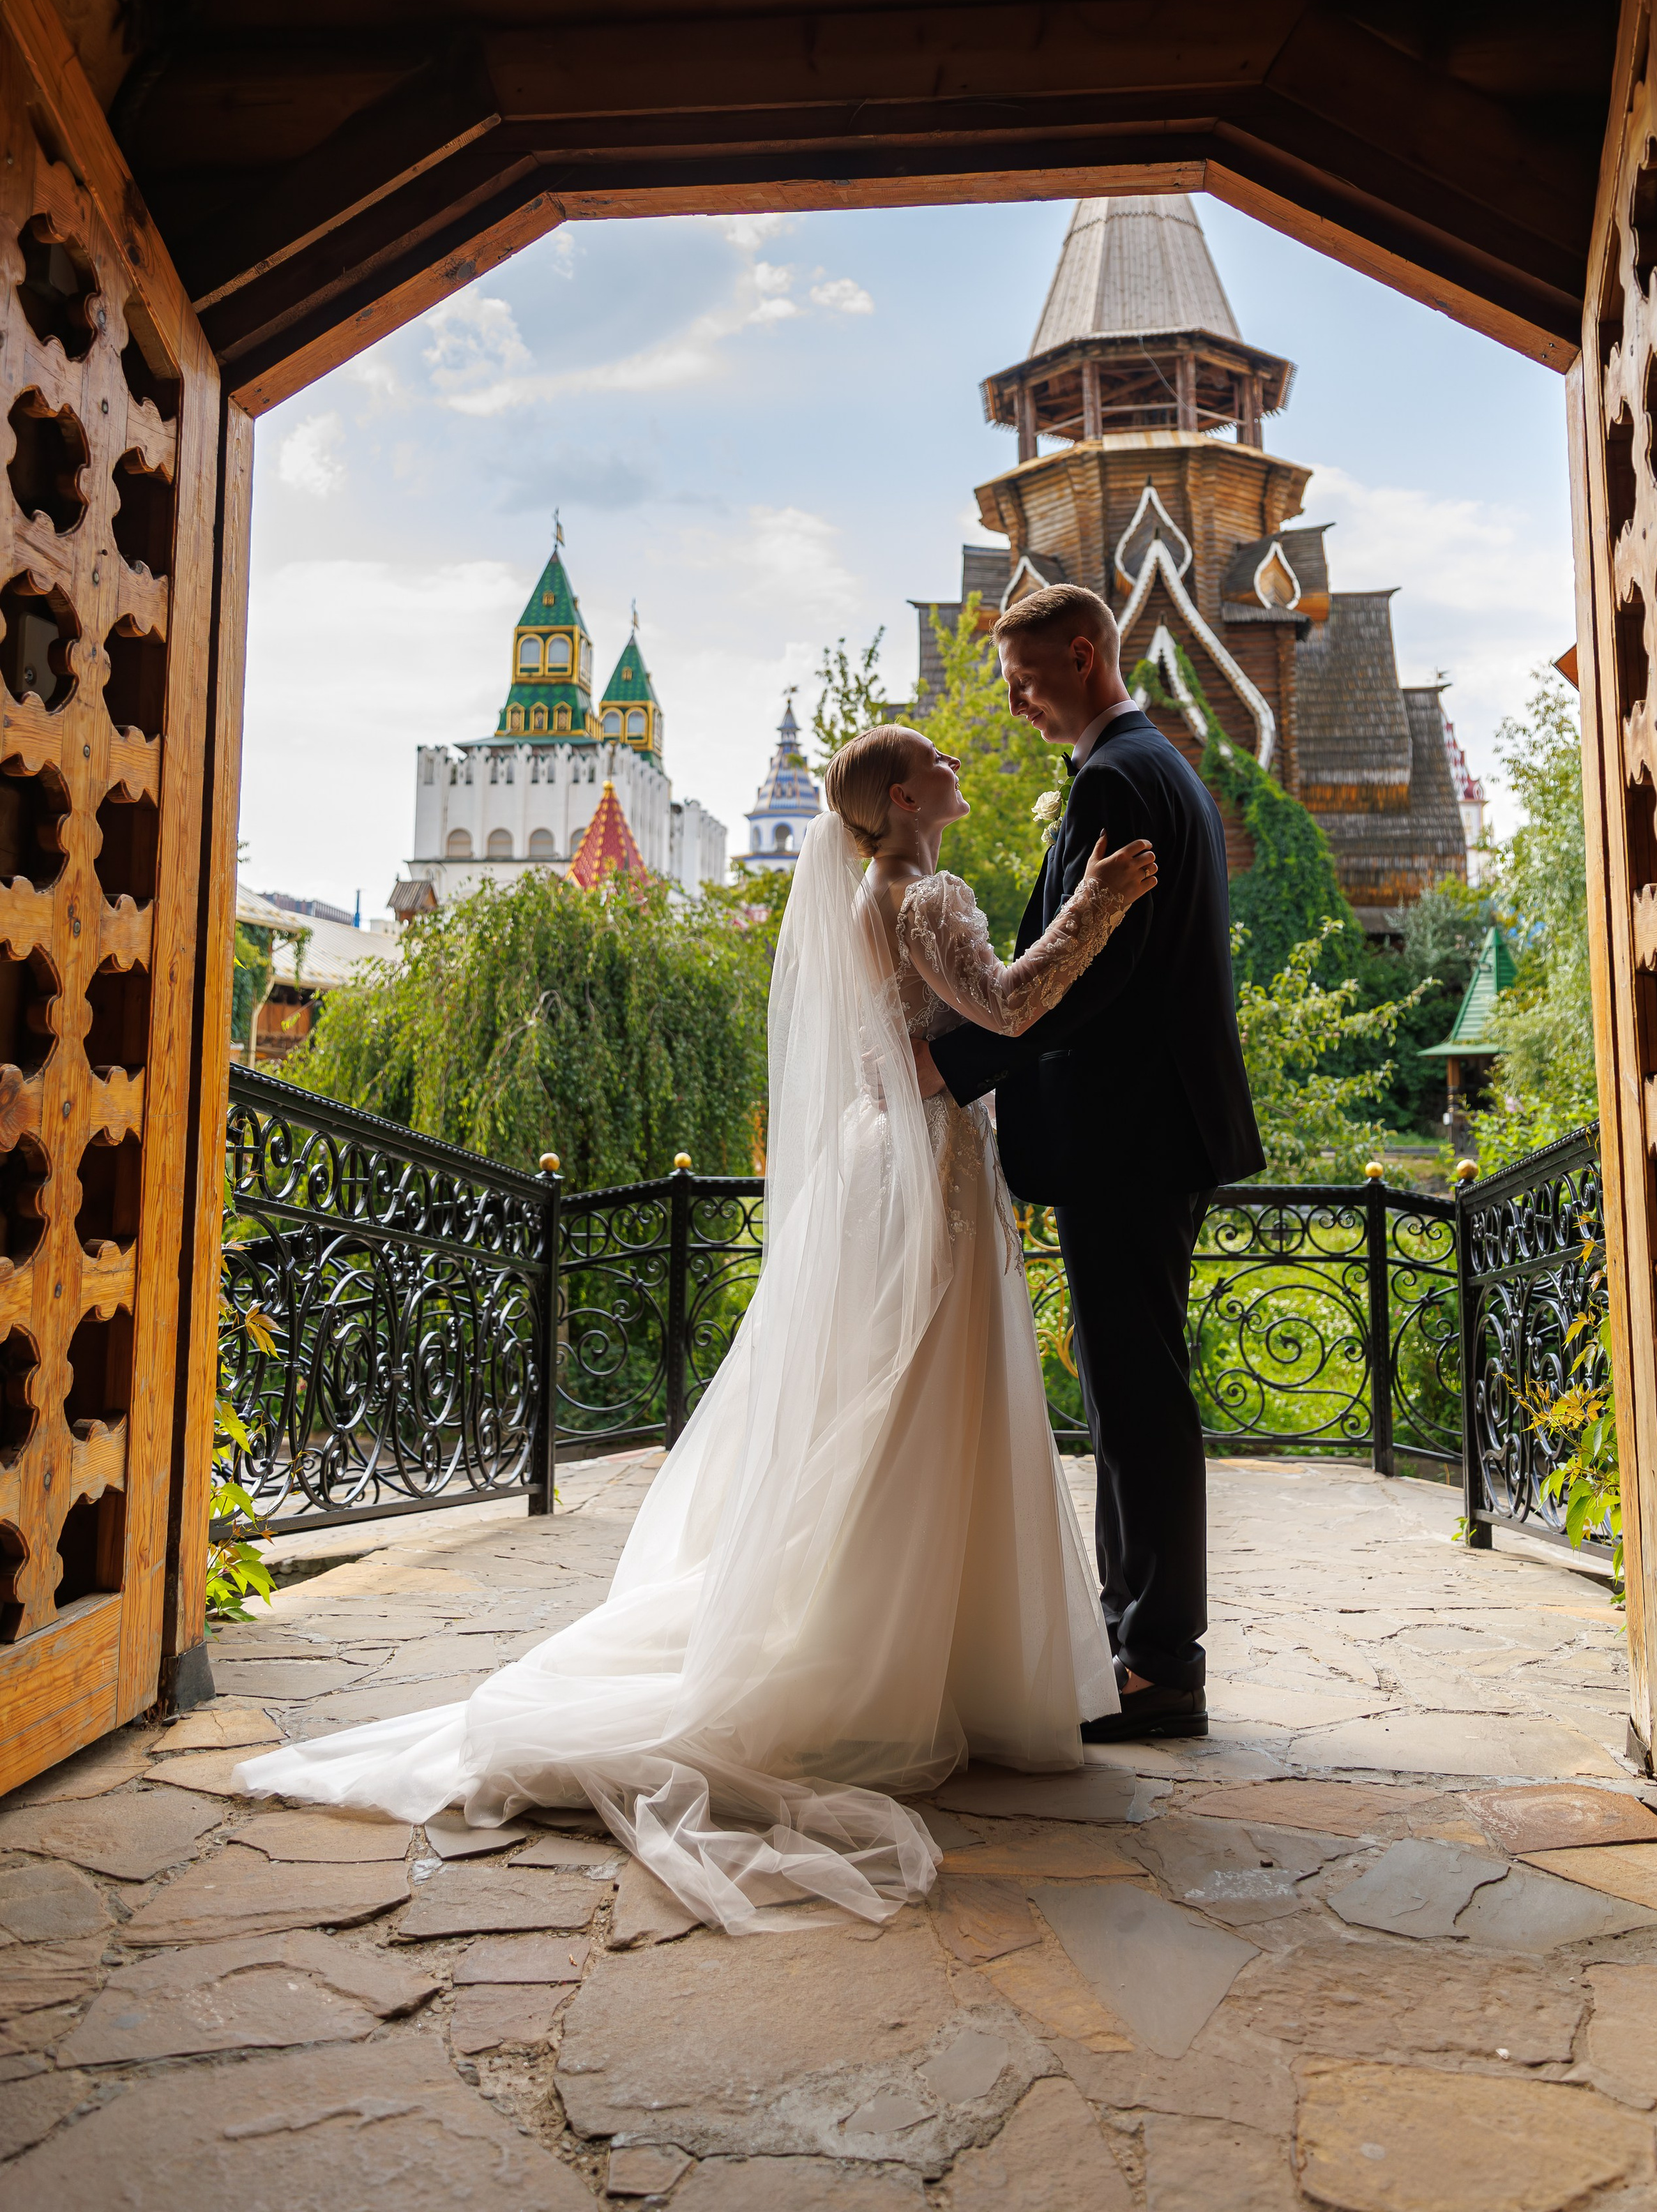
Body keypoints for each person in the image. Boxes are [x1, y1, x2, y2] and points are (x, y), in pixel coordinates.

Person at [235, 725, 1157, 1932]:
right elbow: (1013, 1005)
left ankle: (915, 1657)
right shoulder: (923, 891)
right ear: (898, 796)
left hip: (893, 1158)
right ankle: (904, 1669)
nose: (952, 768)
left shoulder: (875, 892)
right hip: (925, 1165)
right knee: (922, 1398)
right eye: (935, 761)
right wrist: (1093, 906)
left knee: (903, 1398)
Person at [922, 583, 1263, 1741]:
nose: (1014, 705)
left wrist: (953, 1065)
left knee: (1139, 1393)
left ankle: (1162, 1663)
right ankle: (1135, 1643)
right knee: (1125, 1389)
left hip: (1133, 1132)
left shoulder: (1120, 777)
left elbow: (1098, 973)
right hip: (1146, 1131)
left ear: (1080, 655)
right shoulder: (1154, 765)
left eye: (1022, 681)